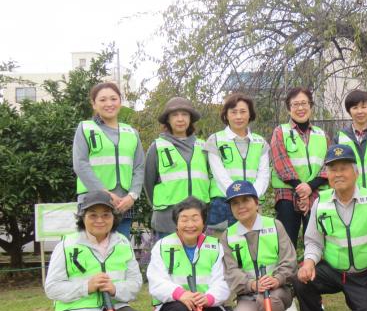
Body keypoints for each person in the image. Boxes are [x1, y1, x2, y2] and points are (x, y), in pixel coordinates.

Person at [293, 144, 367, 311]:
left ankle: (358, 308)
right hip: (333, 270)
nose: (338, 174)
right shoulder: (321, 202)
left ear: (356, 172)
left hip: (363, 275)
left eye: (343, 168)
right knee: (300, 279)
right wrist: (309, 262)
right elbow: (313, 241)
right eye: (332, 169)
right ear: (327, 175)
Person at [45, 190, 149, 311]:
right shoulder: (67, 245)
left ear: (113, 217)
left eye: (106, 215)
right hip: (78, 310)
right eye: (93, 215)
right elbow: (52, 288)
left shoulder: (122, 242)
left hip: (113, 306)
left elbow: (135, 282)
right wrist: (87, 286)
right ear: (82, 217)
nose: (100, 220)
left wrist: (116, 289)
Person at [147, 197, 231, 311]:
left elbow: (222, 280)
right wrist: (181, 294)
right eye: (184, 219)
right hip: (176, 304)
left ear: (204, 222)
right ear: (176, 223)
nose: (190, 225)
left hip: (205, 303)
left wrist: (209, 298)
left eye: (195, 219)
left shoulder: (215, 246)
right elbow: (156, 281)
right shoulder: (163, 246)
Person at [221, 180, 297, 311]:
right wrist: (252, 284)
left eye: (246, 200)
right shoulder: (227, 236)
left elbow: (289, 259)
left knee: (268, 301)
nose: (241, 206)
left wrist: (277, 279)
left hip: (278, 290)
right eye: (235, 203)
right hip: (248, 293)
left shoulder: (275, 226)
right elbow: (231, 271)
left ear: (256, 202)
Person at [73, 82, 145, 238]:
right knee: (90, 251)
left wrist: (132, 196)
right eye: (103, 100)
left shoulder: (131, 133)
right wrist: (104, 193)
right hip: (92, 201)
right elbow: (80, 164)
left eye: (113, 99)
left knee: (120, 251)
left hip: (123, 203)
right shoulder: (85, 128)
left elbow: (139, 167)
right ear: (94, 104)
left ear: (120, 101)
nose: (109, 104)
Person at [270, 87, 329, 248]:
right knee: (287, 243)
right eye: (295, 104)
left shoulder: (321, 134)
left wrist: (310, 187)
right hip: (287, 194)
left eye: (304, 103)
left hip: (316, 193)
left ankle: (314, 272)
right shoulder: (280, 132)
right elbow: (281, 163)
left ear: (310, 106)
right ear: (289, 109)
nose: (300, 108)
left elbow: (328, 164)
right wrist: (301, 189)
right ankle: (288, 273)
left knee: (318, 242)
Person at [144, 97, 210, 239]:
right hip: (167, 221)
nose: (180, 119)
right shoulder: (158, 147)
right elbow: (148, 183)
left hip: (198, 220)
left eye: (184, 114)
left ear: (190, 118)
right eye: (175, 115)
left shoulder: (203, 147)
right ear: (168, 119)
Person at [205, 93, 269, 233]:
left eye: (243, 112)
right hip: (223, 204)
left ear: (250, 114)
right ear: (226, 115)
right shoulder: (215, 140)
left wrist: (252, 197)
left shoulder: (260, 142)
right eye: (233, 112)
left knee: (251, 248)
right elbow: (219, 175)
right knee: (221, 248)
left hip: (253, 204)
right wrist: (238, 197)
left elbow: (263, 175)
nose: (238, 116)